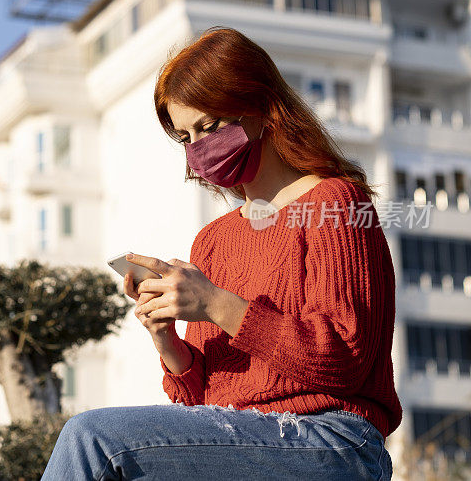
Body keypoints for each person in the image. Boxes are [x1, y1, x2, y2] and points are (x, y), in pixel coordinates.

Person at [40, 26, 402, 480]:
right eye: (185, 138)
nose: (199, 149)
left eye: (208, 127)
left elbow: (344, 361)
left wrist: (214, 303)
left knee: (92, 438)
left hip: (334, 441)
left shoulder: (334, 203)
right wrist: (166, 337)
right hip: (248, 439)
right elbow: (200, 401)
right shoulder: (214, 240)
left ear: (260, 107)